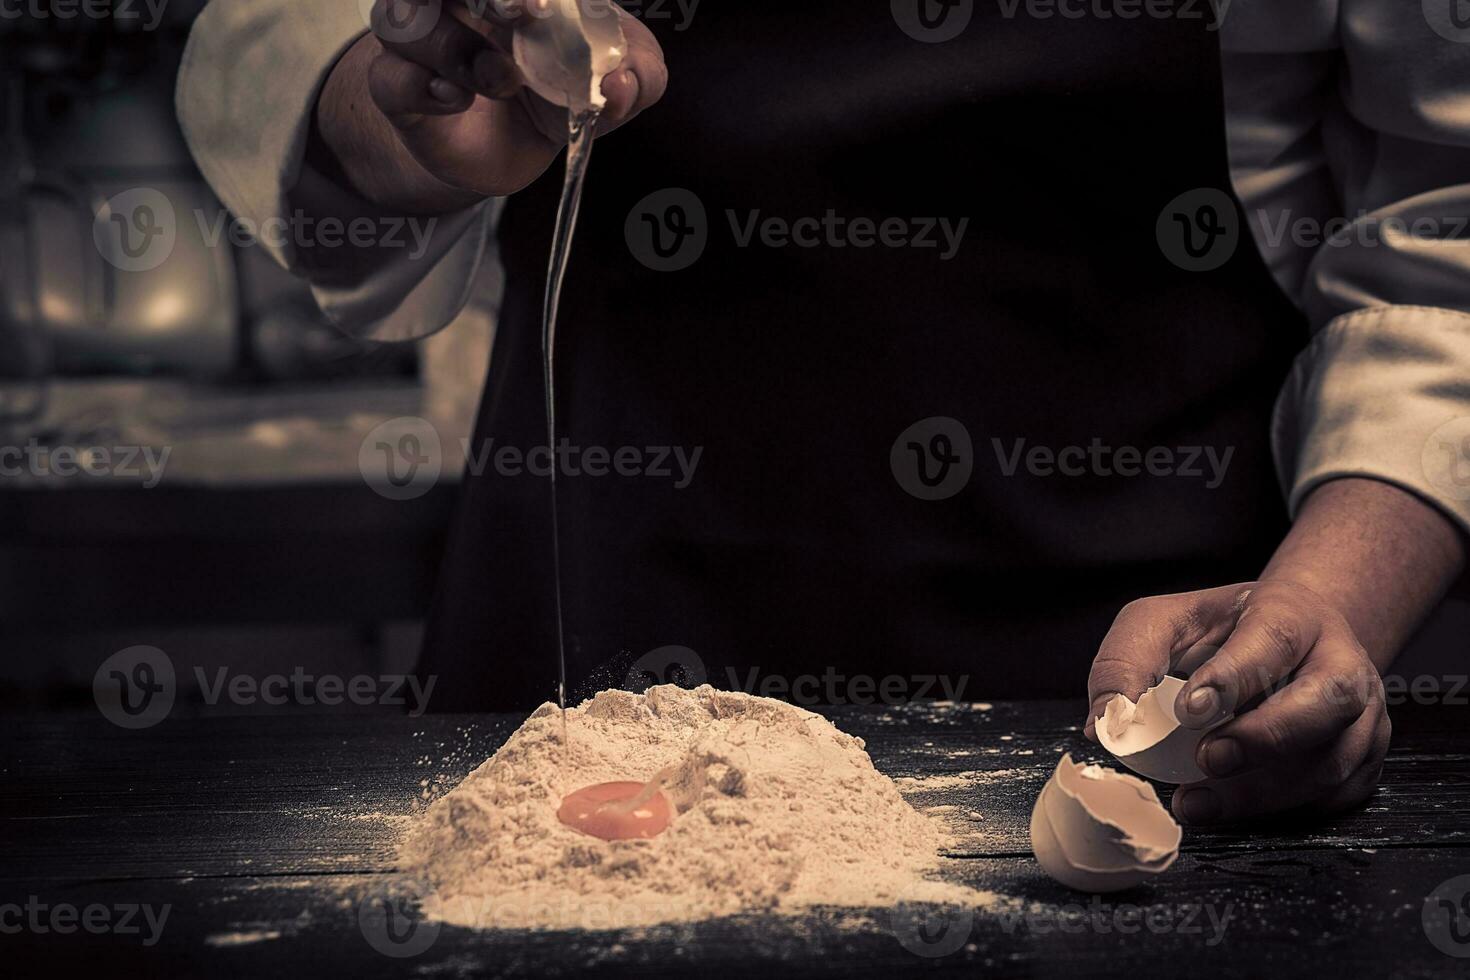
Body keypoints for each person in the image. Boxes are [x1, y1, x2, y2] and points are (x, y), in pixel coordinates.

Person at [176, 1, 1470, 825]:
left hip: (1148, 660)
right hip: (609, 587)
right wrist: (405, 108)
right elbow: (307, 38)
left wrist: (1331, 605)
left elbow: (1441, 236)